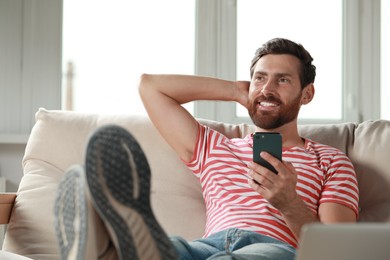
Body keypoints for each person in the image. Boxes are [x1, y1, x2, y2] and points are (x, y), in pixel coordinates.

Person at [54, 38, 359, 260]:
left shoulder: (330, 161)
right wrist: (236, 91)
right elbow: (150, 86)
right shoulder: (215, 147)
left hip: (272, 248)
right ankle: (112, 244)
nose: (267, 89)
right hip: (202, 247)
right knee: (164, 248)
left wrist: (289, 202)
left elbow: (336, 251)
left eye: (282, 80)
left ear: (307, 94)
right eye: (259, 78)